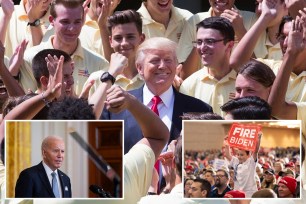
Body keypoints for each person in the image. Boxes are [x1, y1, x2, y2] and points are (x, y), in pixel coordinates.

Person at [102, 37, 213, 154]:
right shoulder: (115, 107)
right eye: (155, 61)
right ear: (140, 68)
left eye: (168, 60)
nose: (162, 66)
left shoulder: (200, 110)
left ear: (176, 66)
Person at [21, 0, 109, 95]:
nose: (71, 28)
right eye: (65, 22)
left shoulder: (99, 64)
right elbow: (27, 104)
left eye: (77, 22)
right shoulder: (30, 58)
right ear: (52, 21)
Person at [230, 0, 305, 103]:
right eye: (282, 37)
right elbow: (238, 63)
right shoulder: (272, 67)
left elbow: (279, 111)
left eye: (294, 36)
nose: (286, 43)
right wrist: (265, 16)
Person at [177, 0, 268, 79]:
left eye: (210, 41)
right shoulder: (194, 21)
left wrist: (240, 31)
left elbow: (260, 70)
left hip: (240, 90)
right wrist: (202, 40)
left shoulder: (252, 19)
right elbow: (185, 76)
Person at [179, 16, 236, 116]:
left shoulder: (245, 83)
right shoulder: (189, 85)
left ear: (229, 45)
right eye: (199, 42)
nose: (202, 48)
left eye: (210, 41)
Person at [83, 9, 145, 92]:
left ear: (141, 39)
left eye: (130, 37)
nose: (124, 43)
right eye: (118, 38)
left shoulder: (152, 78)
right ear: (111, 41)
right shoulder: (96, 79)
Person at [224, 132, 262, 197]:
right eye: (238, 154)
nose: (239, 157)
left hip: (249, 193)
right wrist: (227, 143)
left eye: (242, 155)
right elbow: (227, 155)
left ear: (248, 155)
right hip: (238, 192)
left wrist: (258, 139)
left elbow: (256, 151)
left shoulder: (251, 162)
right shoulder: (236, 161)